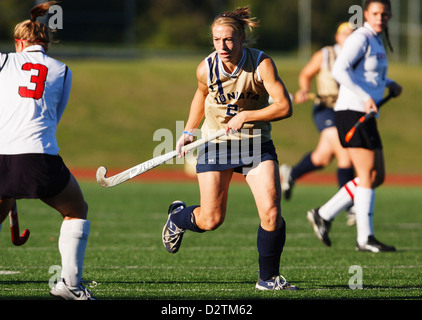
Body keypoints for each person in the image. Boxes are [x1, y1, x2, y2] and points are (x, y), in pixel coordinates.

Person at [161, 7, 296, 290]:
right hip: (216, 144)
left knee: (271, 211)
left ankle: (267, 279)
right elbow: (201, 94)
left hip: (256, 145)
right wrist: (188, 130)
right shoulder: (205, 68)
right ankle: (178, 217)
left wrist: (247, 115)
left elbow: (285, 107)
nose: (222, 46)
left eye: (229, 39)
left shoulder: (261, 65)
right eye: (217, 40)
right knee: (211, 219)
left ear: (242, 37)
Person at [0, 2, 95, 299]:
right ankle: (70, 286)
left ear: (19, 42)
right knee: (76, 210)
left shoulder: (3, 59)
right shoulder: (62, 71)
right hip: (38, 155)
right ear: (46, 44)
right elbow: (54, 117)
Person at [307, 0, 402, 252]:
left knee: (375, 175)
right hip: (352, 113)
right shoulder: (360, 37)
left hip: (367, 114)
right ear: (366, 14)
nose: (380, 17)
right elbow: (340, 69)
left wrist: (388, 83)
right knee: (367, 175)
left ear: (389, 15)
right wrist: (365, 96)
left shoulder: (376, 39)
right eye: (374, 13)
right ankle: (365, 238)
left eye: (384, 14)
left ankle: (324, 213)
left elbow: (368, 74)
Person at [280, 23, 355, 226]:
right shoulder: (326, 54)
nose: (350, 37)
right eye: (346, 33)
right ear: (338, 37)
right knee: (344, 153)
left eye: (353, 34)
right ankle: (352, 207)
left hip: (347, 111)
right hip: (325, 110)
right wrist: (304, 89)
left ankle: (291, 173)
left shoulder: (359, 56)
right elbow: (306, 74)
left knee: (322, 158)